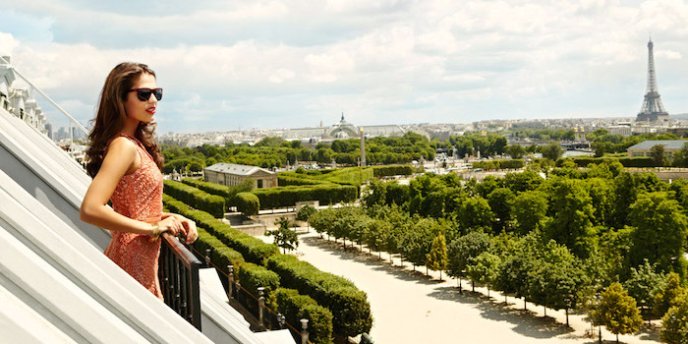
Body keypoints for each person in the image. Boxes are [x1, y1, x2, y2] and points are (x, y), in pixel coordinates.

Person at [80, 62, 198, 299]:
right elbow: (90, 209)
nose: (153, 100)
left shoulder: (134, 144)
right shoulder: (123, 146)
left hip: (140, 258)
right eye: (144, 94)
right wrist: (153, 228)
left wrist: (171, 218)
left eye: (158, 93)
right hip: (132, 260)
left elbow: (135, 210)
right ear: (120, 99)